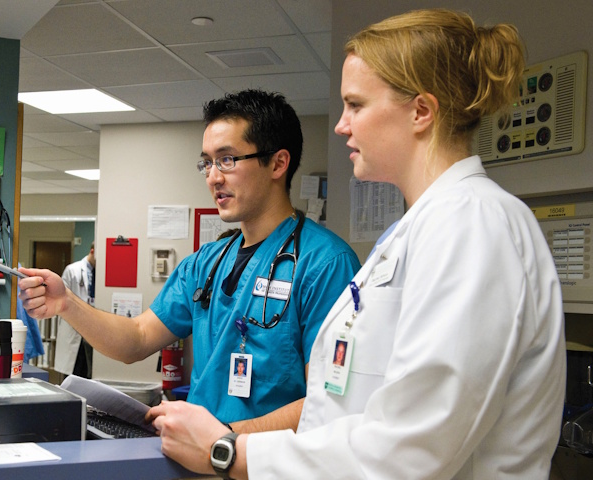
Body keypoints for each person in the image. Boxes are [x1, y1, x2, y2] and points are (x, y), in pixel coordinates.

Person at [146, 9, 566, 479]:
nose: (342, 125)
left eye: (356, 105)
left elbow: (413, 446)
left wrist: (227, 452)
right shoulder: (421, 230)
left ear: (421, 111)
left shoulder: (474, 224)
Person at [19, 89, 360, 432]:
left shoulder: (325, 265)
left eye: (227, 160)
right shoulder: (205, 264)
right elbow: (136, 339)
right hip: (197, 462)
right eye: (207, 162)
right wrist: (66, 303)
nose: (213, 177)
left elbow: (330, 399)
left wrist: (222, 438)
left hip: (264, 464)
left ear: (278, 163)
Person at [53, 242, 95, 379]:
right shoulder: (72, 270)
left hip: (93, 331)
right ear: (93, 250)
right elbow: (61, 300)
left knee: (90, 376)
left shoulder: (103, 274)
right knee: (73, 376)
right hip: (75, 330)